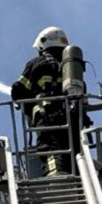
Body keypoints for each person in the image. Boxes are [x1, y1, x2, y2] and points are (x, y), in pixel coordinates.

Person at [11, 27, 76, 176]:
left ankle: (57, 176)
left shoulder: (37, 62)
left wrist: (25, 105)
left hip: (47, 115)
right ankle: (76, 174)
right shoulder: (70, 67)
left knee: (51, 148)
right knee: (73, 149)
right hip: (72, 116)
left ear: (43, 44)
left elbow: (19, 89)